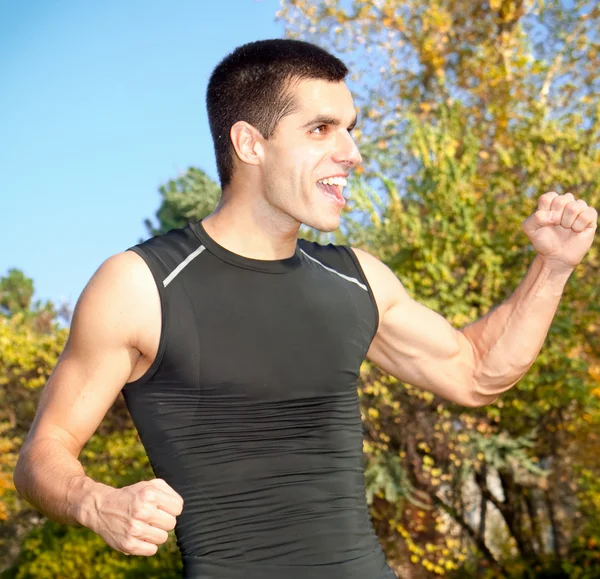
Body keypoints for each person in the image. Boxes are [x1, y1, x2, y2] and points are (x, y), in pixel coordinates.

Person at [14, 39, 597, 579]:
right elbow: (43, 451)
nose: (352, 153)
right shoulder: (141, 284)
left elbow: (477, 373)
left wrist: (552, 267)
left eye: (350, 129)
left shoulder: (355, 278)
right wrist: (96, 502)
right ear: (249, 144)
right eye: (321, 129)